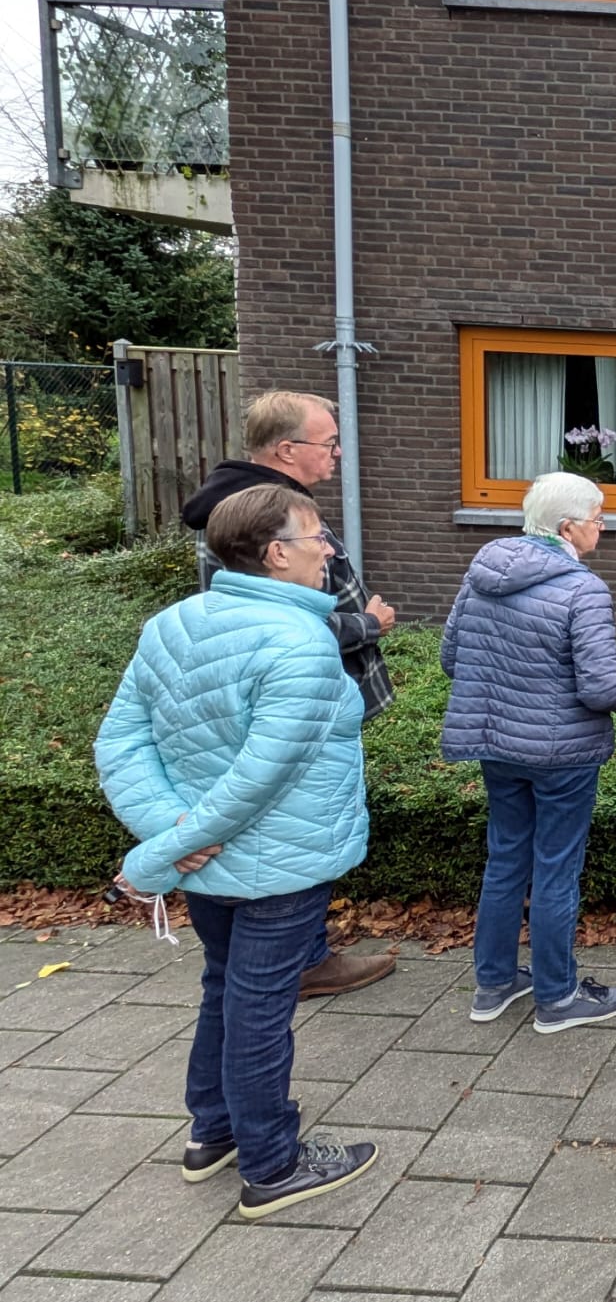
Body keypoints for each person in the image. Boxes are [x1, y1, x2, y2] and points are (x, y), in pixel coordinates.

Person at [97, 483, 379, 1220]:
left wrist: (174, 831)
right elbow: (264, 773)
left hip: (211, 857)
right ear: (276, 552)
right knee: (259, 1003)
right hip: (278, 862)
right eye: (319, 538)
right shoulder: (299, 643)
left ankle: (212, 1133)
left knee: (225, 985)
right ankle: (272, 1162)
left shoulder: (172, 623)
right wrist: (176, 843)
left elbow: (123, 743)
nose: (330, 552)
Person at [179, 390, 396, 1001]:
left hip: (318, 693)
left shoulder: (280, 509)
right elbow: (263, 623)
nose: (336, 455)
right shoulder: (247, 518)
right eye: (328, 444)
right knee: (297, 815)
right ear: (286, 450)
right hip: (294, 699)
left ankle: (299, 950)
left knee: (312, 810)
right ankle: (289, 958)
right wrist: (368, 625)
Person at [440, 472, 616, 1034]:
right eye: (599, 517)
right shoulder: (583, 589)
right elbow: (600, 688)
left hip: (497, 746)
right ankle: (557, 997)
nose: (604, 526)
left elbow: (452, 659)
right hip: (563, 757)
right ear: (567, 527)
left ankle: (495, 983)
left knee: (505, 860)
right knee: (556, 869)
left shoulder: (480, 577)